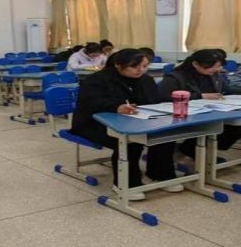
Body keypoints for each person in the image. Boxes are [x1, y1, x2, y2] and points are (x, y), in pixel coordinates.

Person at [71, 48, 177, 200]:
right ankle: (126, 183)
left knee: (164, 135)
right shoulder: (97, 80)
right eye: (135, 66)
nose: (141, 70)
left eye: (145, 66)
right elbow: (90, 103)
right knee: (130, 141)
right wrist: (116, 107)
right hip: (94, 123)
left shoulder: (146, 80)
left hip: (136, 120)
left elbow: (154, 101)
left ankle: (160, 175)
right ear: (118, 65)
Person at [158, 49, 241, 157]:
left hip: (211, 111)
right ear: (195, 64)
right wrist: (201, 96)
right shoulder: (176, 77)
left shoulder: (214, 74)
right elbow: (166, 97)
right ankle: (191, 150)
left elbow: (227, 90)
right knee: (210, 127)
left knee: (240, 126)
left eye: (218, 66)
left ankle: (193, 148)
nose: (216, 69)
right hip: (186, 114)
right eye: (213, 66)